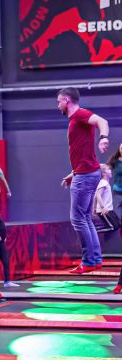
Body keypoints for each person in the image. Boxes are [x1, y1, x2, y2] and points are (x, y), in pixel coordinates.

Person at [57, 87, 110, 274]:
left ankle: (88, 261)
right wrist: (73, 173)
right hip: (85, 173)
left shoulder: (80, 114)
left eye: (59, 101)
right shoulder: (75, 120)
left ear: (66, 100)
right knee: (85, 218)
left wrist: (103, 138)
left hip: (86, 175)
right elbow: (82, 154)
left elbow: (102, 121)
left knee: (78, 219)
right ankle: (95, 260)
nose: (58, 105)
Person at [93, 164, 120, 232]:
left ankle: (92, 230)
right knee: (112, 227)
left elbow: (95, 196)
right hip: (105, 211)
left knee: (117, 224)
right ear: (104, 173)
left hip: (108, 210)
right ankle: (91, 231)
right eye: (108, 169)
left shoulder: (104, 183)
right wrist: (103, 207)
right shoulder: (103, 183)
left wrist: (94, 208)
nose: (110, 171)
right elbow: (98, 195)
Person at [109, 142, 122, 215]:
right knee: (118, 212)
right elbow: (106, 169)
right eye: (121, 148)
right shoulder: (115, 160)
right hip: (117, 190)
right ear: (119, 149)